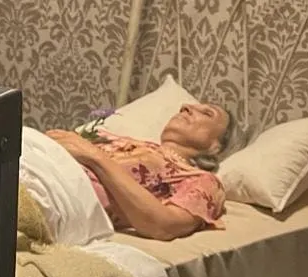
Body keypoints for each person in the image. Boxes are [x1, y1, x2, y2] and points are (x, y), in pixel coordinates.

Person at [46, 102, 235, 240]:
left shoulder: (201, 179)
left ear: (216, 146)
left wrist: (95, 157)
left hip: (55, 195)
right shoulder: (124, 140)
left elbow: (165, 226)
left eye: (207, 113)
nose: (186, 106)